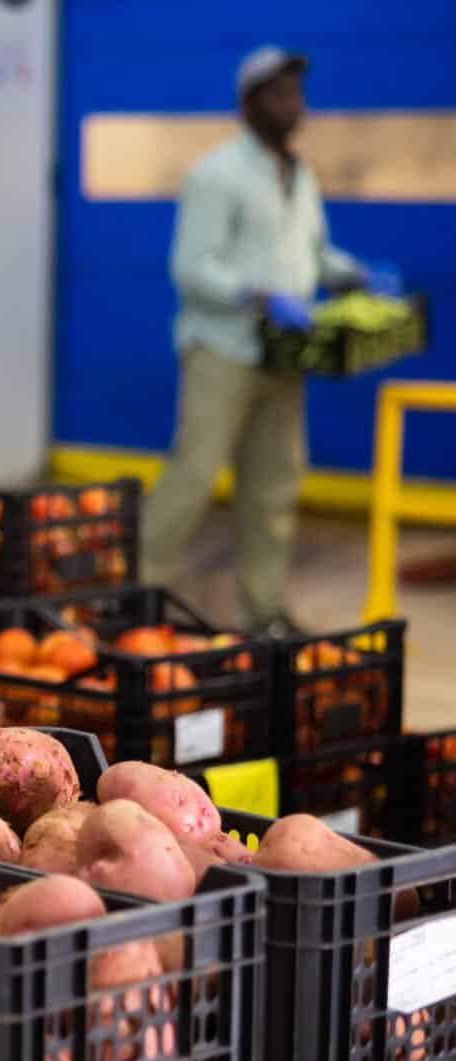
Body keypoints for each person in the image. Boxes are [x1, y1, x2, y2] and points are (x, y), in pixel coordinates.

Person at [142, 45, 404, 636]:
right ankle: (132, 596)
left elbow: (313, 253)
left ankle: (263, 613)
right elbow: (191, 267)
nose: (294, 105)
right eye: (280, 94)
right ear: (249, 103)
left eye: (297, 93)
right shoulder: (217, 175)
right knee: (194, 473)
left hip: (285, 352)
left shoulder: (299, 175)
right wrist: (257, 295)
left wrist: (356, 274)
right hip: (224, 350)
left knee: (274, 485)